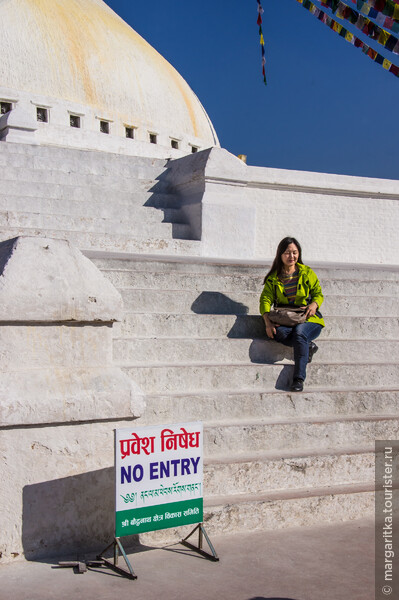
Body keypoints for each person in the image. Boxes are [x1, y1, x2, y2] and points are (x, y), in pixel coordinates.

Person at [259, 237, 325, 392]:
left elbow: (318, 293)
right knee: (277, 333)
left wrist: (314, 304)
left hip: (308, 318)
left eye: (295, 253)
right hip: (287, 319)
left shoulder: (306, 272)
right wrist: (267, 322)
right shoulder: (274, 278)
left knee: (300, 333)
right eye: (287, 253)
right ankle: (308, 347)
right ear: (280, 255)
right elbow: (265, 300)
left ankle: (298, 378)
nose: (291, 256)